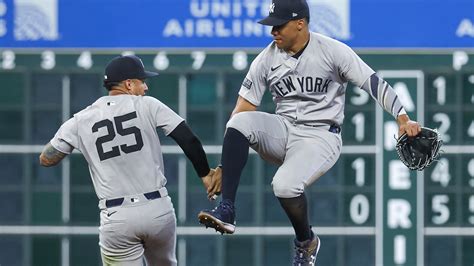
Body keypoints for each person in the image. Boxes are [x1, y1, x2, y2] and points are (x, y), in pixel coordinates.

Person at [197, 0, 421, 265]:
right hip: (283, 130)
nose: (273, 32)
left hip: (320, 136)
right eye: (272, 26)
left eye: (279, 26)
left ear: (300, 24)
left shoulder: (332, 51)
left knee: (284, 186)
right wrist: (225, 164)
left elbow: (372, 83)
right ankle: (227, 210)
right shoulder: (266, 59)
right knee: (239, 122)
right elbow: (243, 108)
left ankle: (306, 242)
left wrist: (402, 116)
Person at [39, 55, 221, 266]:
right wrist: (205, 174)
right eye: (142, 81)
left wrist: (79, 142)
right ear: (128, 84)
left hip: (117, 217)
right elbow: (188, 138)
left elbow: (46, 158)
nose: (145, 87)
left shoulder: (81, 120)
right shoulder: (147, 105)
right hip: (157, 210)